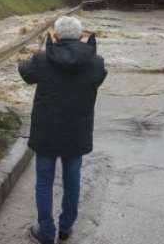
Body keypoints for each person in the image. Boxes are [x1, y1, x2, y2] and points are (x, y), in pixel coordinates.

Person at [18, 16, 108, 244]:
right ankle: (66, 229)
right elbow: (96, 80)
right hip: (77, 132)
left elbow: (25, 74)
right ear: (80, 36)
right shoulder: (96, 62)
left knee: (44, 182)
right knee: (72, 181)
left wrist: (38, 52)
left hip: (47, 131)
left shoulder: (42, 58)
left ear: (56, 36)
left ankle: (46, 232)